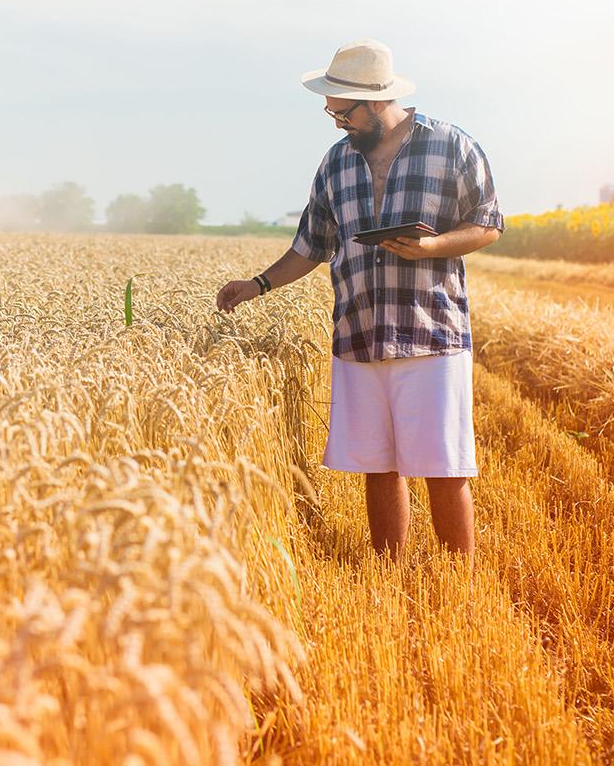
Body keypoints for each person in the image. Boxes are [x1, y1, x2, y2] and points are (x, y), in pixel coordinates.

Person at [215, 39, 503, 559]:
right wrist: (257, 284)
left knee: (444, 468)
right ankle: (389, 572)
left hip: (431, 334)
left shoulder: (452, 146)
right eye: (331, 112)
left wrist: (431, 247)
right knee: (379, 467)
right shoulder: (335, 164)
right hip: (358, 334)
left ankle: (459, 582)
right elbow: (311, 245)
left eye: (343, 112)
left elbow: (488, 225)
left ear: (376, 101)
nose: (336, 122)